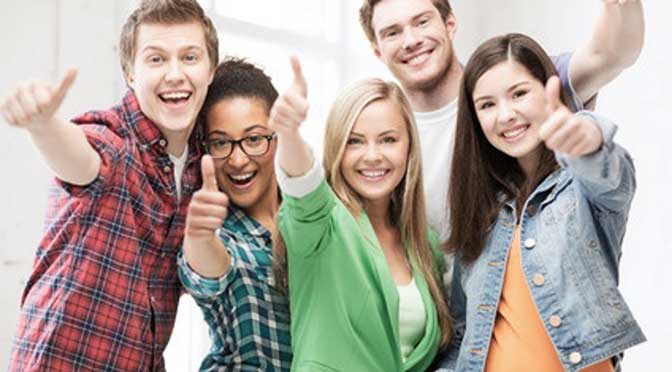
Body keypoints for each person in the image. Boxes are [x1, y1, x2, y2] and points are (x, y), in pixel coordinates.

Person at [0, 0, 219, 370]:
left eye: (190, 57)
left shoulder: (203, 165)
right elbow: (80, 157)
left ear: (211, 70)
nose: (175, 74)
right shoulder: (114, 141)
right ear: (130, 74)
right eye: (156, 59)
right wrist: (43, 126)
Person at [358, 0, 645, 280]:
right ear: (377, 51)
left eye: (421, 22)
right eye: (392, 32)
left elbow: (609, 55)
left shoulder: (511, 86)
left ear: (450, 23)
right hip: (445, 320)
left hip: (530, 306)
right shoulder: (381, 135)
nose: (411, 40)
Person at [436, 33, 645, 372]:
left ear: (549, 92)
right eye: (487, 104)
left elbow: (612, 176)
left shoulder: (581, 187)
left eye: (518, 94)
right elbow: (463, 337)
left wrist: (587, 139)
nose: (505, 115)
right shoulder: (479, 212)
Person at [269, 56, 450, 372]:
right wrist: (289, 133)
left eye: (388, 140)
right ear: (338, 147)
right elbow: (303, 186)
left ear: (409, 147)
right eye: (355, 141)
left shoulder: (424, 243)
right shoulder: (324, 224)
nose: (373, 156)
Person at [178, 58, 291, 371]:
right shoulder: (221, 232)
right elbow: (207, 272)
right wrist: (199, 236)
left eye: (254, 139)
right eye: (221, 143)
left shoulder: (309, 213)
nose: (238, 159)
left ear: (278, 135)